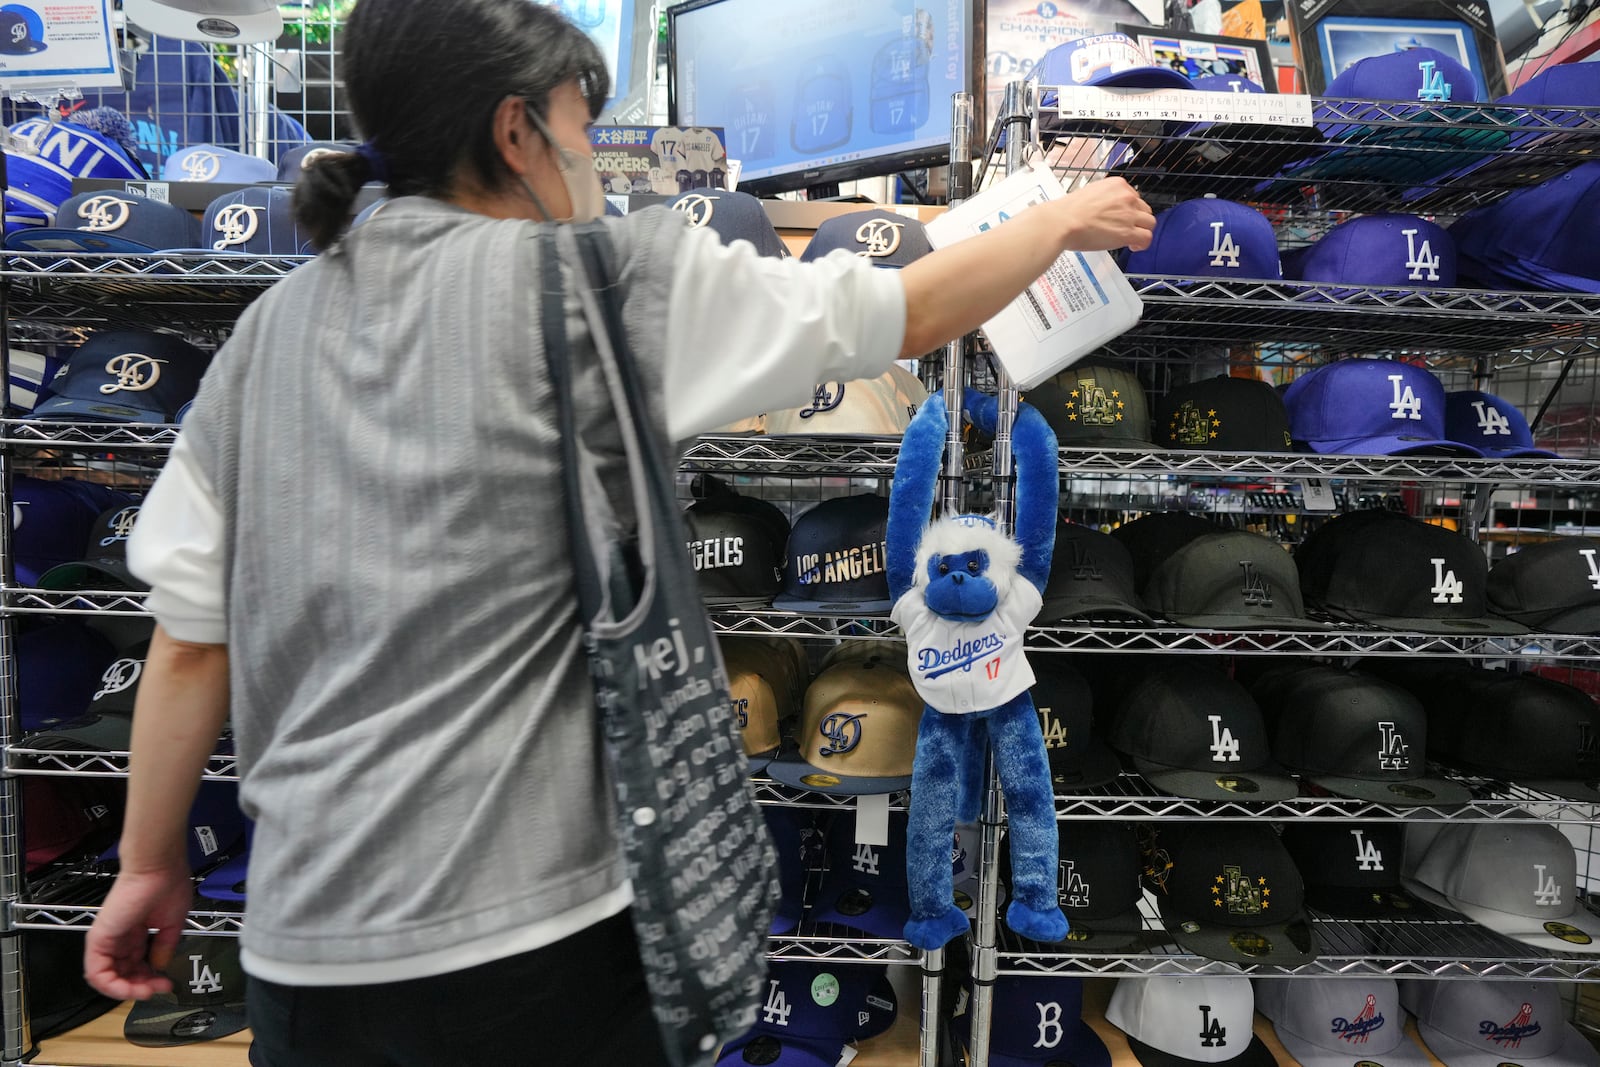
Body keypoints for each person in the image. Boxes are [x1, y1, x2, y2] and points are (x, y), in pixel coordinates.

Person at [80, 0, 1155, 1062]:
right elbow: (904, 312)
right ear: (516, 132)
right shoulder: (605, 285)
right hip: (545, 938)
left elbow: (189, 636)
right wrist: (1057, 219)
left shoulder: (269, 330)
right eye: (581, 125)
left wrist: (147, 860)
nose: (590, 155)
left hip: (305, 946)